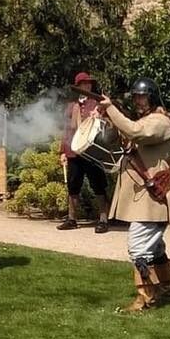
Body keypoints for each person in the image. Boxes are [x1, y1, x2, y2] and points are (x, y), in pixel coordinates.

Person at [100, 78, 170, 311]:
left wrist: (111, 108)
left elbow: (134, 132)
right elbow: (114, 139)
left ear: (152, 97)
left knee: (138, 246)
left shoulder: (161, 122)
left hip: (155, 195)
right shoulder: (145, 121)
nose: (138, 101)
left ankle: (145, 298)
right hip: (146, 196)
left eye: (142, 96)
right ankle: (167, 287)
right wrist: (108, 118)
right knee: (155, 247)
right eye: (136, 97)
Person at [58, 71, 111, 233]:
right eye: (84, 84)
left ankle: (103, 219)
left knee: (98, 185)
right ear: (78, 86)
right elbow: (67, 130)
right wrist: (62, 152)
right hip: (73, 151)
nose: (87, 86)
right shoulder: (71, 105)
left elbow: (108, 122)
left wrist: (100, 113)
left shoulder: (97, 103)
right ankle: (72, 218)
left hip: (91, 151)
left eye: (88, 83)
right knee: (73, 186)